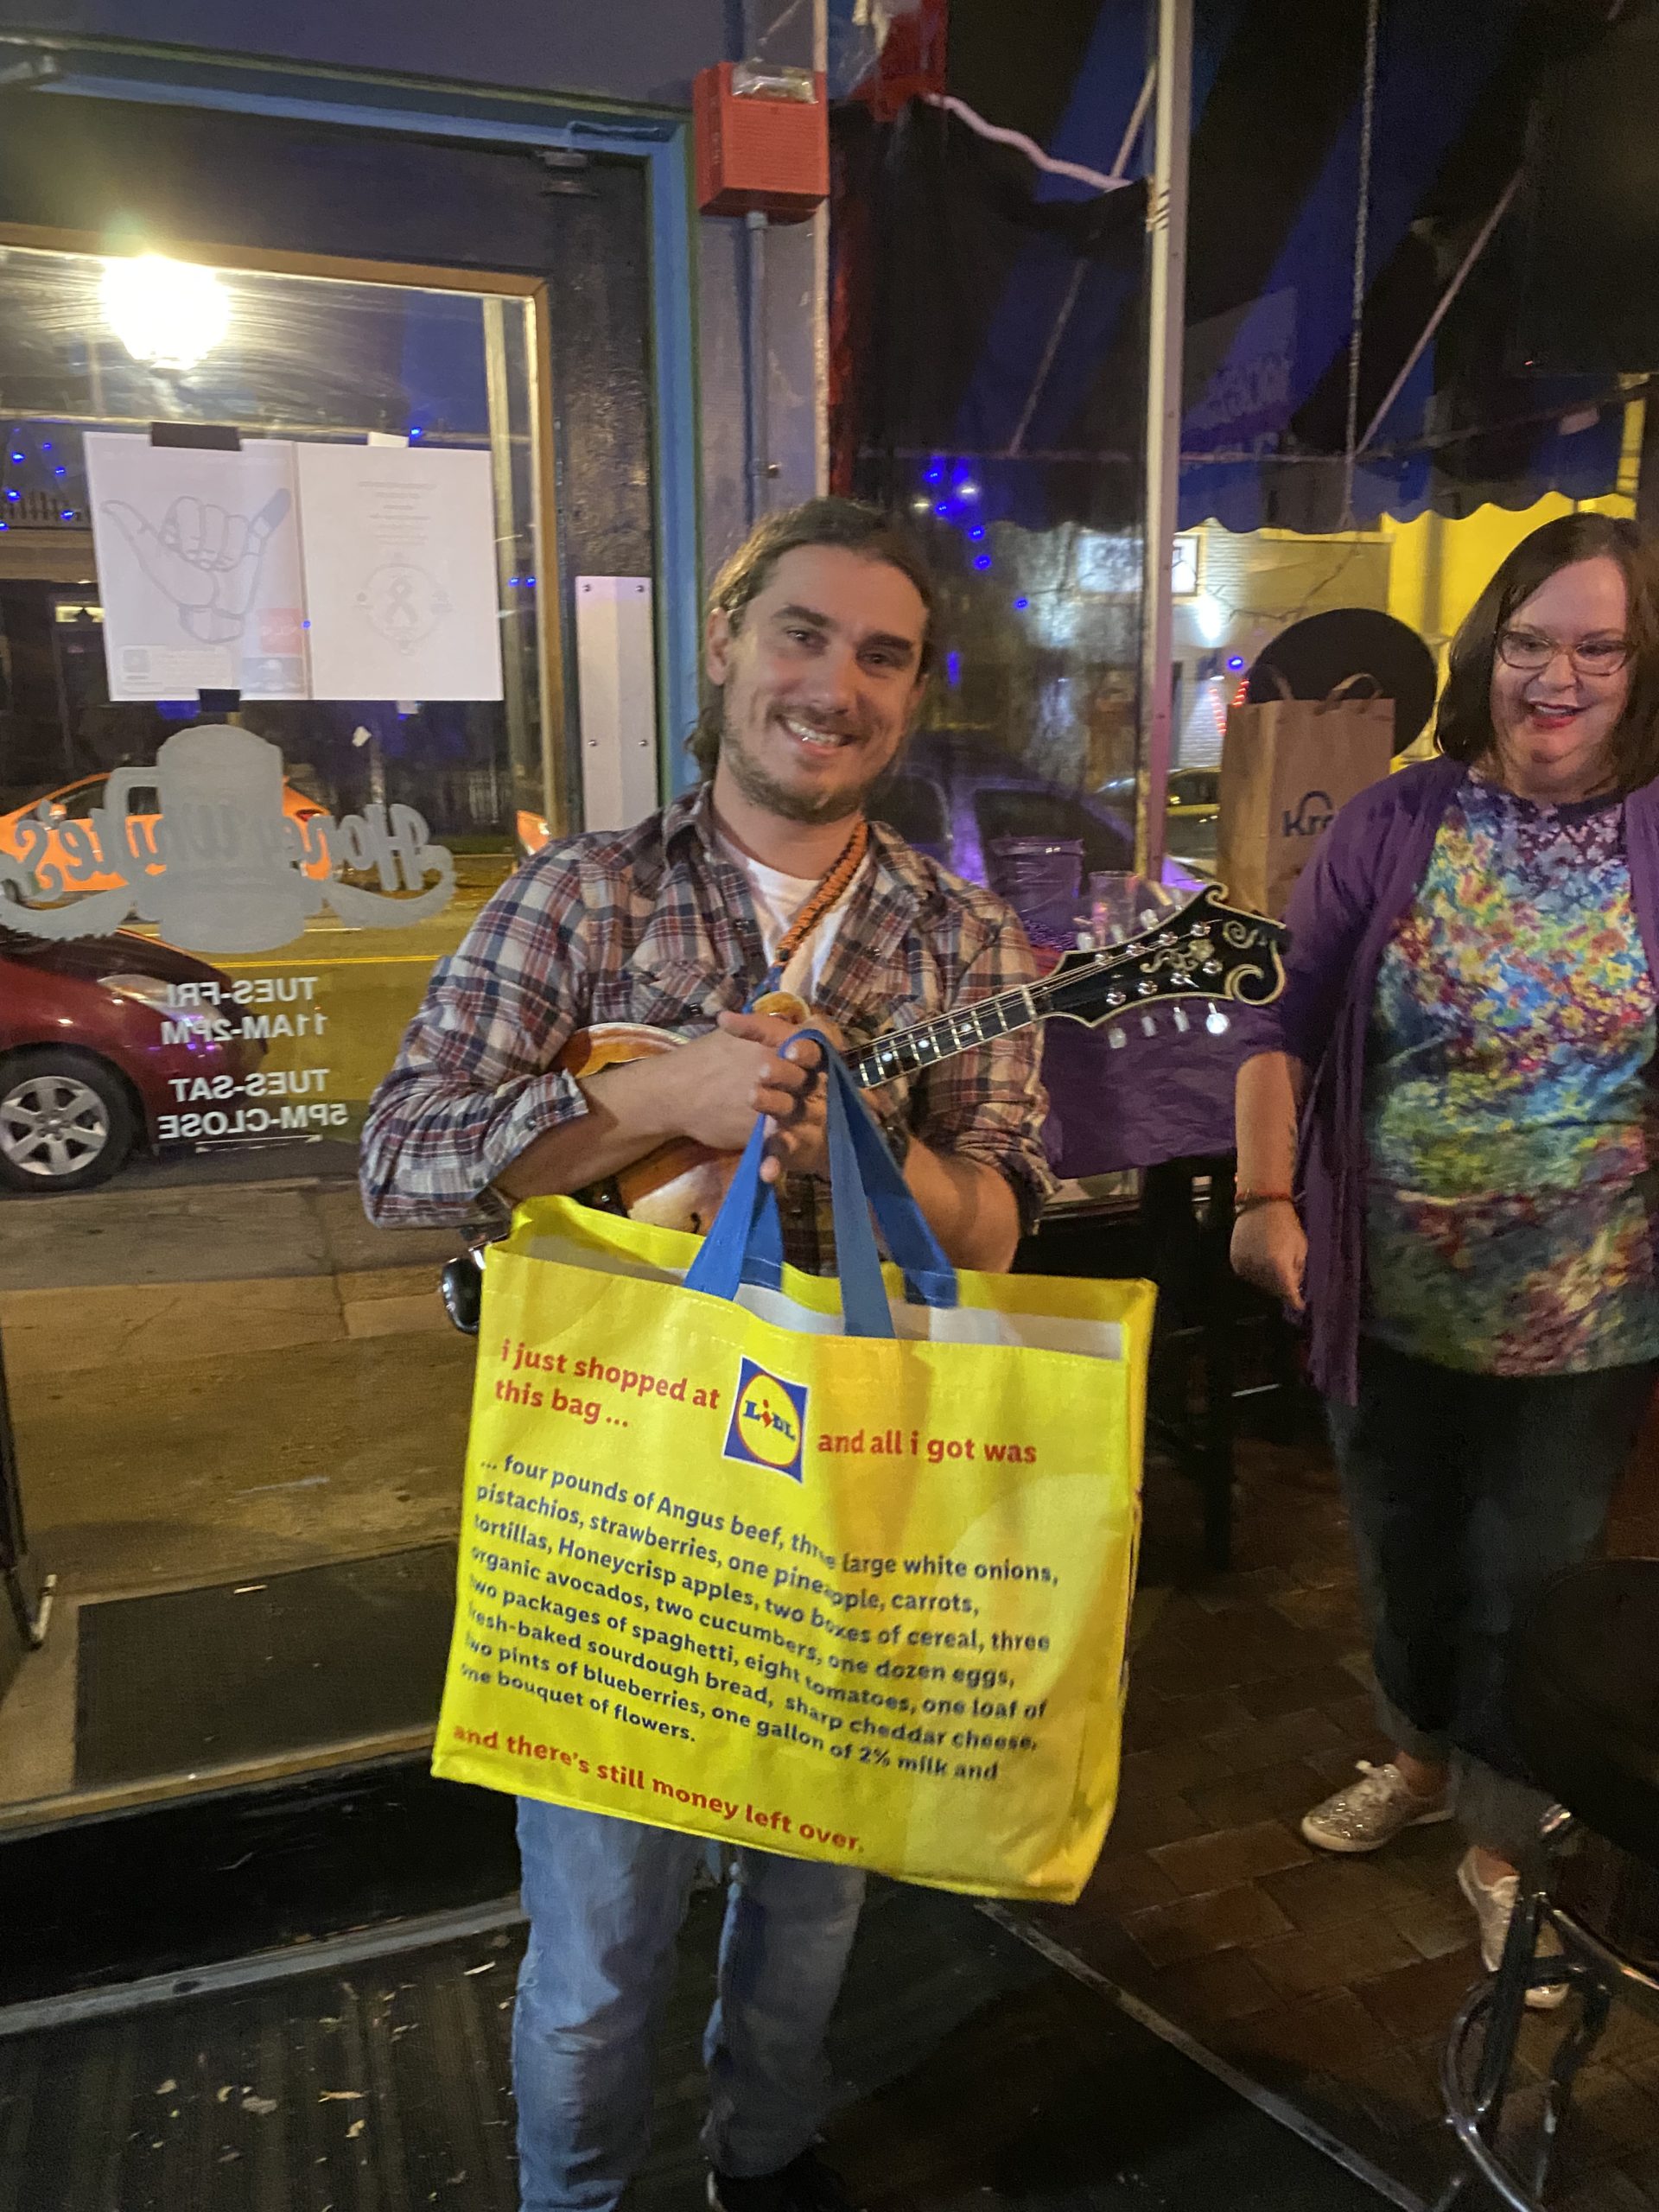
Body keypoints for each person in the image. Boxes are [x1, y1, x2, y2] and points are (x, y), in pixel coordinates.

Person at [360, 497, 1052, 2212]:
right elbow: (400, 1158)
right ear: (728, 641)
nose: (838, 684)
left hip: (848, 1502)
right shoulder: (579, 895)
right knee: (602, 1941)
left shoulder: (965, 942)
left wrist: (871, 1157)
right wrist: (654, 1098)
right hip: (612, 1502)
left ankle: (766, 2152)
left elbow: (1000, 1222)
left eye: (883, 655)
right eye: (804, 634)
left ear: (911, 693)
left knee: (812, 1903)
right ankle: (577, 2193)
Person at [1230, 512, 1659, 2010]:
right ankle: (1416, 1761)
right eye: (1531, 642)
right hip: (1384, 1291)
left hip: (1591, 1313)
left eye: (1598, 647)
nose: (1559, 677)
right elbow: (1281, 1021)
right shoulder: (1396, 822)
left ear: (1641, 666)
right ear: (1489, 653)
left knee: (1528, 1588)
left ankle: (1496, 1841)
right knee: (1401, 1555)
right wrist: (1265, 1198)